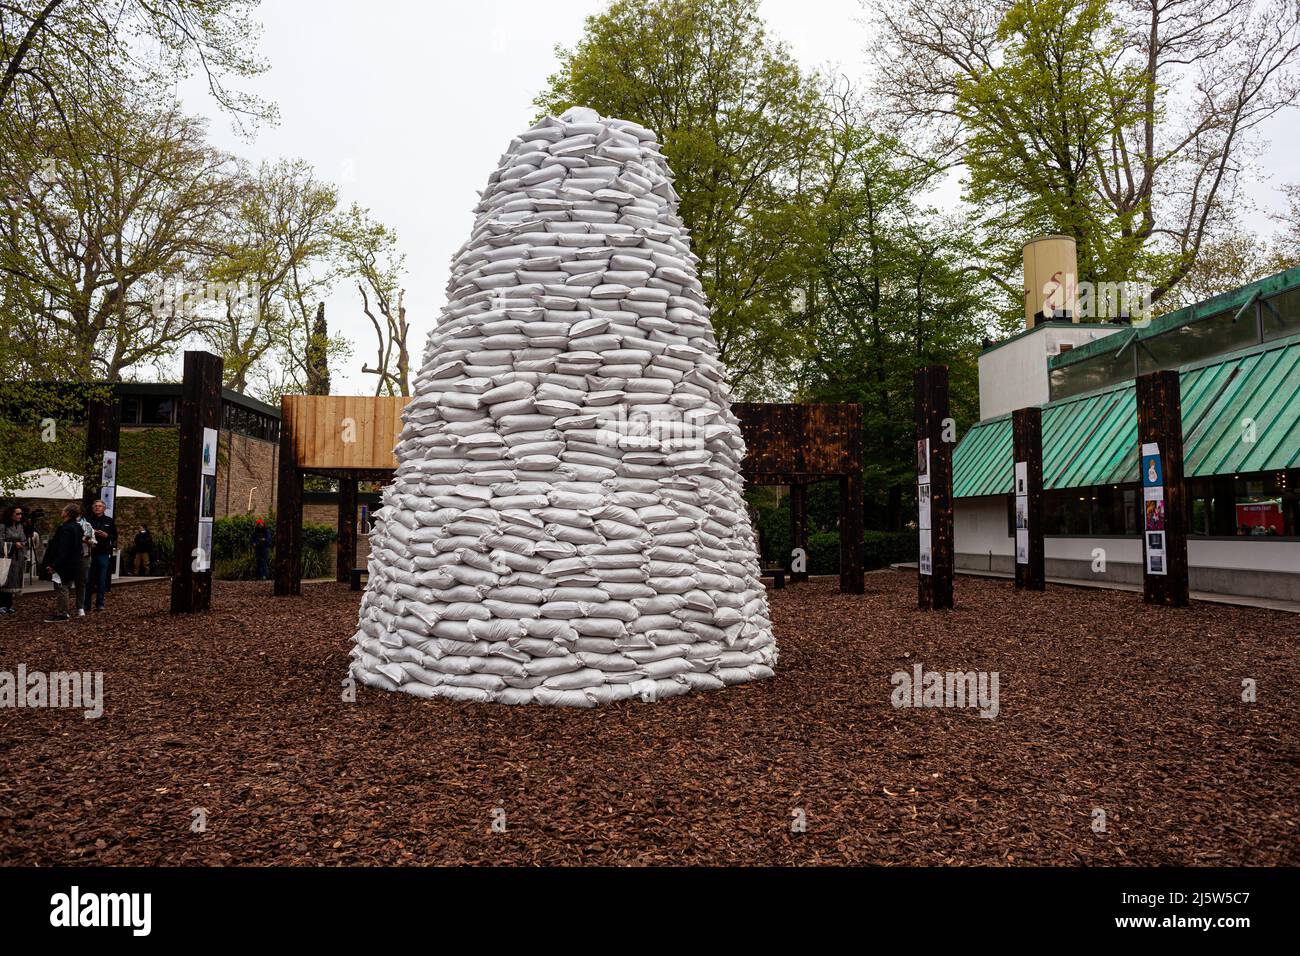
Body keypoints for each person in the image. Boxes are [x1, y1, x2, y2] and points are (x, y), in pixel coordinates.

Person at [44, 505, 83, 622]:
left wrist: (54, 564)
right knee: (66, 586)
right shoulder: (77, 527)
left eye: (63, 510)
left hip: (64, 563)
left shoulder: (65, 528)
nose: (61, 511)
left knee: (62, 587)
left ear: (68, 513)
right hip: (73, 562)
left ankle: (63, 613)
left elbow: (63, 549)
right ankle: (63, 611)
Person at [83, 499, 117, 613]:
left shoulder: (109, 521)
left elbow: (114, 536)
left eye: (100, 506)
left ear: (104, 508)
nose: (97, 508)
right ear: (93, 508)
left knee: (102, 580)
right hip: (90, 552)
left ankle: (100, 604)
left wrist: (106, 535)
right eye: (96, 506)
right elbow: (81, 534)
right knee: (88, 580)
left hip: (103, 553)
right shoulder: (87, 520)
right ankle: (86, 605)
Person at [1, 505, 34, 615]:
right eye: (18, 514)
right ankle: (1, 605)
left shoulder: (19, 526)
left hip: (17, 558)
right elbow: (0, 542)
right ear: (11, 514)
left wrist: (24, 543)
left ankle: (8, 605)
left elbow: (24, 538)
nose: (20, 516)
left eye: (21, 514)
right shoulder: (3, 526)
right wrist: (14, 545)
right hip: (6, 557)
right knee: (4, 579)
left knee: (13, 581)